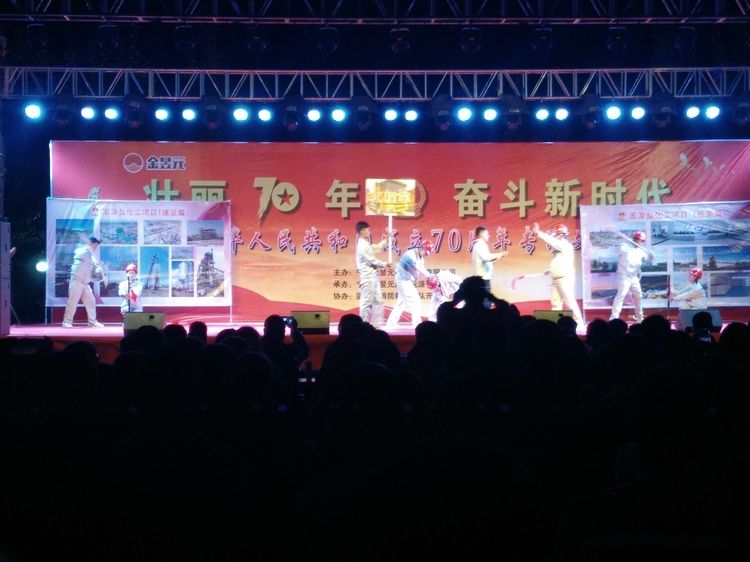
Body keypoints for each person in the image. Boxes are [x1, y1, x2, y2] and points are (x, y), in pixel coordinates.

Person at [533, 223, 585, 328]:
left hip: (564, 278)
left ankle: (579, 323)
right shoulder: (558, 250)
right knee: (556, 302)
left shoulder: (565, 245)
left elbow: (552, 241)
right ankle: (556, 324)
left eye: (556, 234)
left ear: (561, 235)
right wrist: (549, 270)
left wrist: (538, 233)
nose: (554, 236)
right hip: (556, 278)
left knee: (569, 301)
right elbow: (557, 261)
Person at [386, 240, 436, 329]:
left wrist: (427, 277)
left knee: (401, 303)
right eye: (426, 252)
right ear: (422, 248)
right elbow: (417, 268)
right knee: (415, 300)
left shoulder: (420, 258)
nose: (426, 254)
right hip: (403, 280)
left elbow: (420, 271)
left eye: (427, 254)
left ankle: (391, 323)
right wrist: (429, 275)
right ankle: (417, 325)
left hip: (405, 281)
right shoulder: (410, 255)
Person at [609, 231, 655, 323]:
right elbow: (615, 247)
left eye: (643, 241)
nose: (642, 242)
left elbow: (649, 261)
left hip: (634, 277)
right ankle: (613, 319)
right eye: (641, 240)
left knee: (639, 296)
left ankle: (639, 319)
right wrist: (620, 240)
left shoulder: (642, 250)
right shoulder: (624, 246)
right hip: (623, 275)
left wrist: (651, 257)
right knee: (621, 296)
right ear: (635, 239)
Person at [62, 235, 105, 328]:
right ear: (90, 244)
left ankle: (92, 322)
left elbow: (94, 270)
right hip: (76, 280)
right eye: (95, 245)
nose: (96, 248)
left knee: (91, 301)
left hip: (85, 283)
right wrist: (97, 264)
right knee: (73, 301)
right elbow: (83, 255)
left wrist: (99, 271)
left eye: (96, 246)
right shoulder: (81, 251)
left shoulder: (91, 257)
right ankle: (66, 322)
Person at [355, 221, 390, 327]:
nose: (369, 232)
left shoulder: (366, 244)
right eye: (368, 230)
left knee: (378, 301)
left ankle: (377, 326)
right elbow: (371, 260)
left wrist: (387, 238)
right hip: (367, 277)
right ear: (362, 231)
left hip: (373, 277)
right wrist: (385, 264)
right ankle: (363, 326)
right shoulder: (362, 245)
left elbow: (377, 248)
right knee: (367, 302)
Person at [471, 226, 507, 295]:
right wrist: (500, 254)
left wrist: (498, 257)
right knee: (484, 299)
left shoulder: (479, 245)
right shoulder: (480, 244)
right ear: (481, 234)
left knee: (483, 298)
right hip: (482, 278)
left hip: (482, 278)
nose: (488, 236)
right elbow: (486, 257)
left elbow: (485, 259)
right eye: (487, 234)